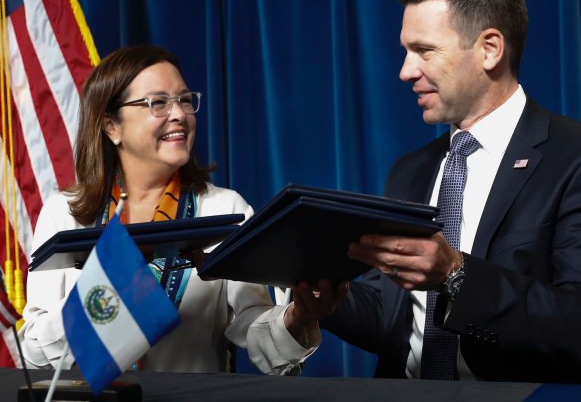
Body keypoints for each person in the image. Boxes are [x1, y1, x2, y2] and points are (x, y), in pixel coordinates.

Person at [322, 0, 581, 383]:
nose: (405, 71)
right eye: (405, 52)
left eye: (424, 51)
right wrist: (330, 303)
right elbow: (395, 326)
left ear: (490, 49)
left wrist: (456, 274)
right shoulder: (410, 170)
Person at [20, 44, 346, 375]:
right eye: (157, 103)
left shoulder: (224, 209)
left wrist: (296, 318)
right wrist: (113, 284)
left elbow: (255, 330)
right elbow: (33, 353)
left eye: (185, 99)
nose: (179, 114)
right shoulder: (66, 214)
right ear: (111, 127)